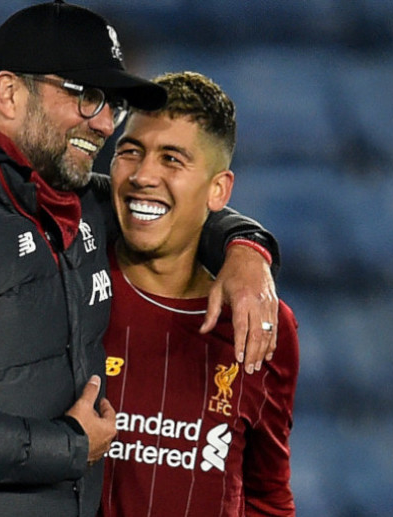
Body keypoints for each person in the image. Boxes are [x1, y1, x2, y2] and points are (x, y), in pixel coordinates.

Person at [0, 2, 279, 516]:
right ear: (9, 93)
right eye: (87, 97)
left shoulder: (67, 196)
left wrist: (247, 250)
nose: (106, 124)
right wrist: (70, 447)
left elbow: (168, 208)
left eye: (113, 105)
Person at [100, 71, 298, 516]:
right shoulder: (71, 285)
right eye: (130, 152)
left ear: (218, 190)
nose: (143, 175)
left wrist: (250, 248)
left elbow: (267, 495)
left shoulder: (261, 321)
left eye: (172, 159)